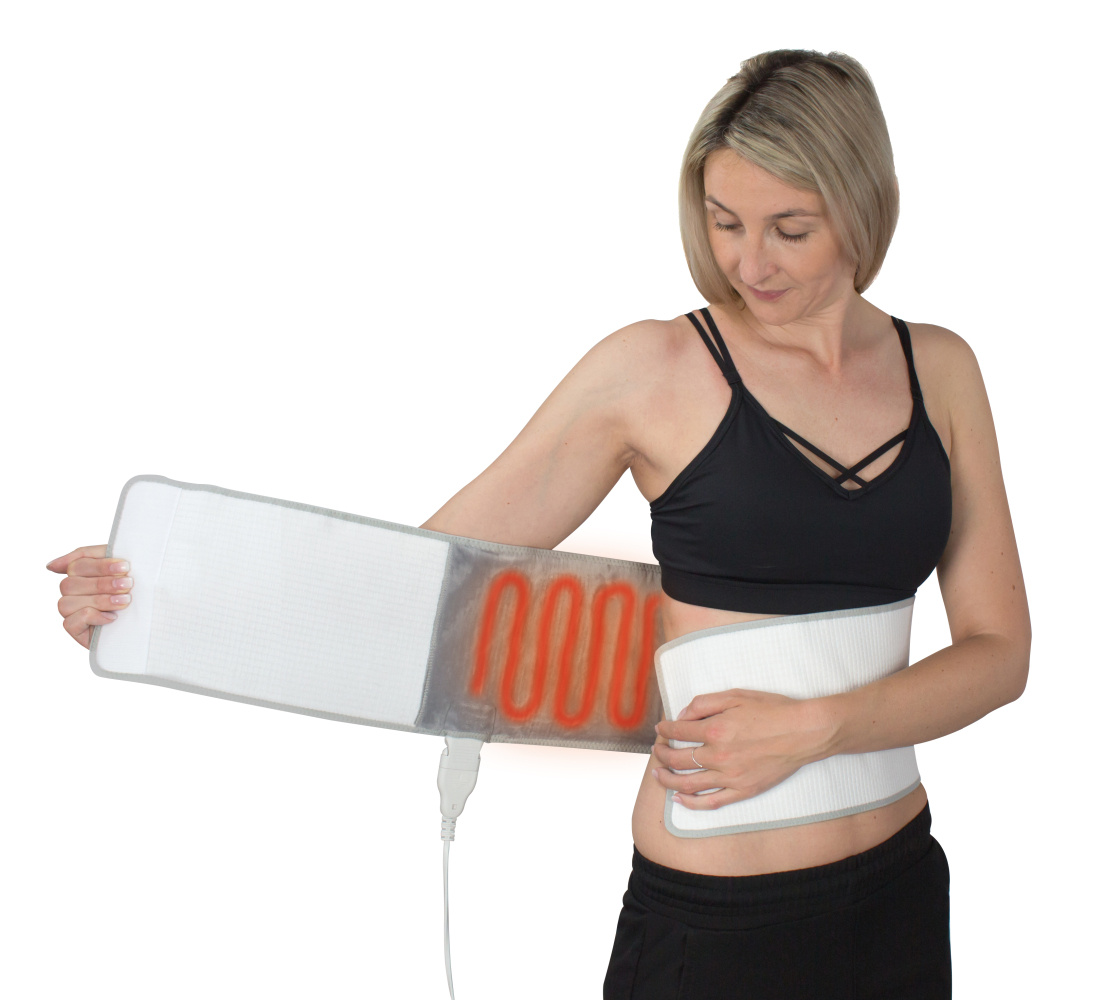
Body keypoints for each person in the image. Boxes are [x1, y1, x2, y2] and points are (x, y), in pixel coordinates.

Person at [48, 49, 1030, 998]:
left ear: (860, 205)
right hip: (717, 929)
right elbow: (411, 579)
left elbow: (999, 654)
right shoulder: (653, 371)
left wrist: (817, 727)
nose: (748, 261)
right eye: (724, 221)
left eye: (790, 228)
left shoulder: (939, 369)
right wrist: (155, 594)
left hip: (898, 898)